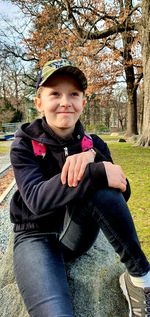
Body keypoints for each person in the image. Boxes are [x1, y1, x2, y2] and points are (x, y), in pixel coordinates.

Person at [10, 58, 150, 317]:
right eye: (55, 94)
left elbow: (120, 192)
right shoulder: (23, 144)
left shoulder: (93, 143)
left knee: (101, 184)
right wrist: (94, 171)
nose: (65, 101)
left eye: (74, 94)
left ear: (83, 103)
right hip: (34, 237)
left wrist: (94, 157)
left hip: (74, 234)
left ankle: (141, 280)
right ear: (39, 102)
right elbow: (36, 200)